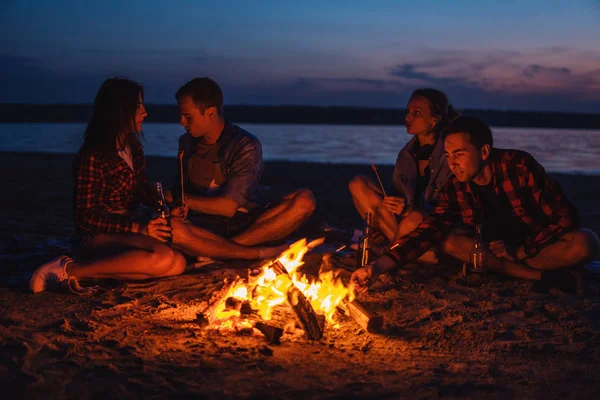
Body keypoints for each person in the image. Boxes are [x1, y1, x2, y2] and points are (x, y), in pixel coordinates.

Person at [30, 78, 285, 294]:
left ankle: (96, 273)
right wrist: (140, 227)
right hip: (97, 234)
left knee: (176, 264)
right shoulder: (93, 156)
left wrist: (163, 205)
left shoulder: (133, 149)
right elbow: (85, 217)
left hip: (129, 228)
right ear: (121, 111)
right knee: (164, 258)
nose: (145, 112)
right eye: (138, 106)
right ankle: (68, 269)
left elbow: (139, 188)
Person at [351, 116, 600, 293]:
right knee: (448, 241)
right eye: (448, 156)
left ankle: (512, 270)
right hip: (489, 254)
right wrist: (376, 267)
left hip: (532, 248)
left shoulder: (519, 166)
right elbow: (426, 233)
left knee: (586, 242)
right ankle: (534, 275)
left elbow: (565, 217)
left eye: (459, 154)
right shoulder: (456, 185)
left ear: (483, 152)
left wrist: (523, 249)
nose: (452, 163)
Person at [168, 77, 316, 246]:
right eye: (180, 115)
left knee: (304, 200)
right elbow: (181, 188)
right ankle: (225, 249)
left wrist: (179, 198)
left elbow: (228, 207)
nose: (182, 122)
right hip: (199, 223)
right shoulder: (186, 143)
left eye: (188, 116)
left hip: (241, 223)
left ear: (210, 112)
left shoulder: (244, 144)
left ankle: (227, 248)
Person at [349, 89, 457, 261]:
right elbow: (395, 195)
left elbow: (452, 210)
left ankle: (391, 251)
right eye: (408, 111)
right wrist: (384, 220)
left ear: (434, 120)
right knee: (358, 183)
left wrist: (409, 211)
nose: (408, 117)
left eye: (416, 113)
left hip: (433, 228)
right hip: (403, 227)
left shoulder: (451, 154)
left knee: (414, 218)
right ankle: (403, 249)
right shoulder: (406, 155)